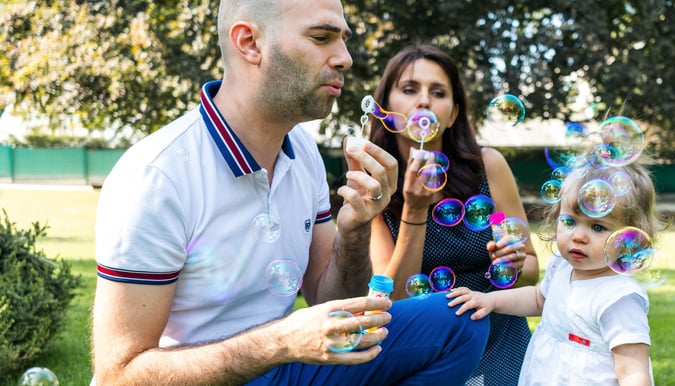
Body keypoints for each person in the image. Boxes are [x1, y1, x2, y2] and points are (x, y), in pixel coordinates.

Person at [90, 1, 489, 385]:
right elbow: (118, 375)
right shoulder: (158, 176)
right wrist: (279, 342)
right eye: (321, 38)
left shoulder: (302, 152)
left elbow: (329, 299)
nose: (345, 58)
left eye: (343, 40)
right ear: (250, 43)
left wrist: (354, 231)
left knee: (458, 322)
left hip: (285, 367)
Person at [367, 44, 540, 385]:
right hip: (427, 353)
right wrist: (415, 209)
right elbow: (394, 299)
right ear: (386, 107)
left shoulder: (487, 168)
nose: (424, 102)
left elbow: (531, 271)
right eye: (409, 89)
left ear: (453, 113)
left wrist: (514, 263)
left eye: (438, 93)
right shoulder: (375, 186)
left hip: (501, 343)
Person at [447, 160, 666, 385]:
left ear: (629, 238)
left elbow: (633, 373)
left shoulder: (619, 298)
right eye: (570, 221)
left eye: (597, 227)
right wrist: (490, 300)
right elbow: (539, 298)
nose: (578, 236)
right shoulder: (562, 266)